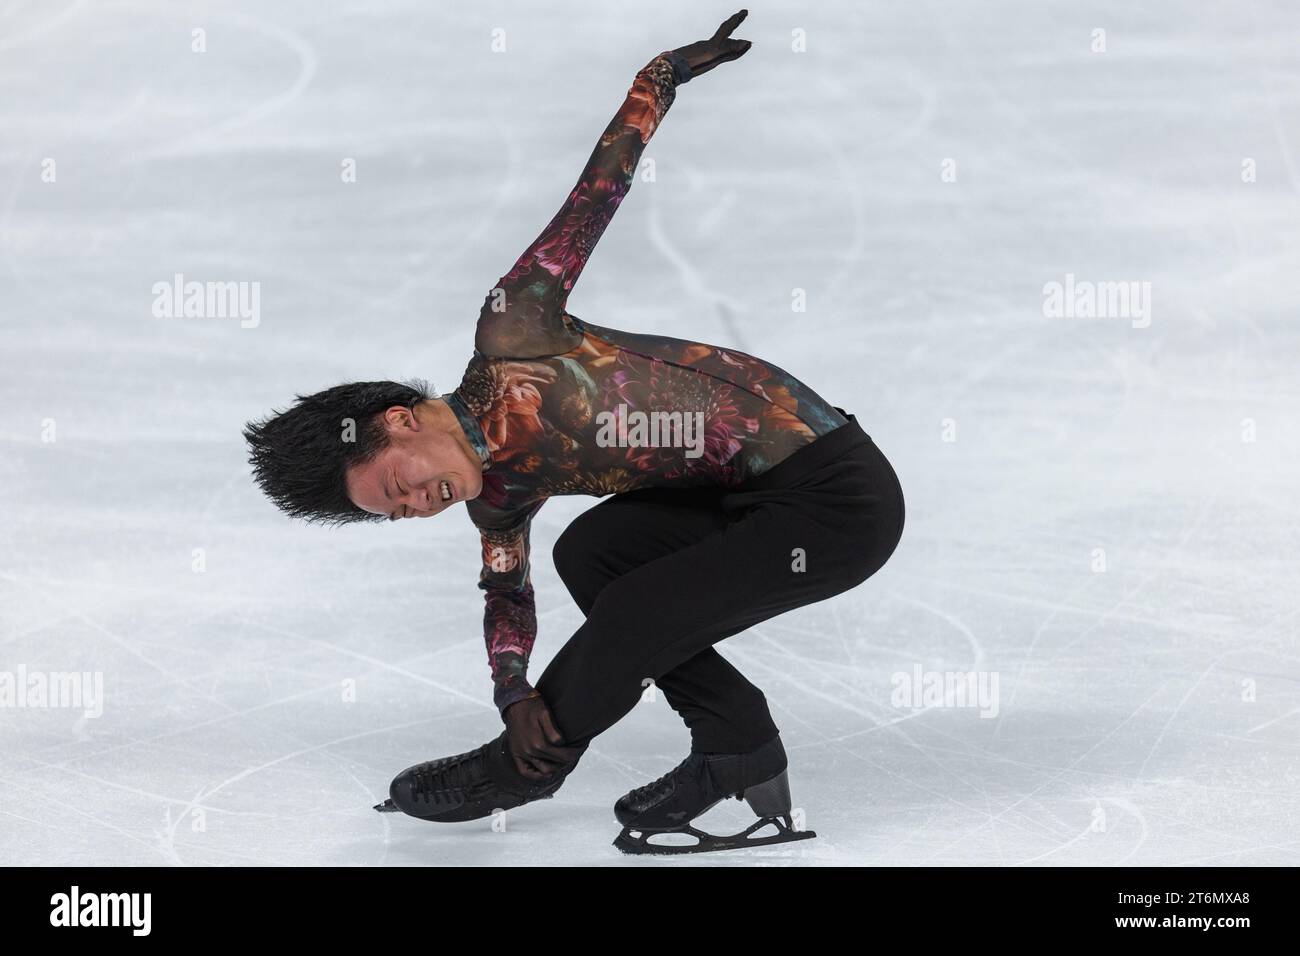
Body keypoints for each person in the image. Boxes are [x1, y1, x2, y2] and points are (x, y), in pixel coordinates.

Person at [243, 10, 905, 854]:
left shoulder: (515, 330)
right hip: (750, 505)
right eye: (395, 515)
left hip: (832, 498)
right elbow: (504, 596)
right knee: (592, 555)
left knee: (634, 601)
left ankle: (530, 769)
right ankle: (737, 744)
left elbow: (596, 196)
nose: (414, 507)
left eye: (394, 486)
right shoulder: (503, 496)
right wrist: (514, 696)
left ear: (396, 421)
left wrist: (658, 78)